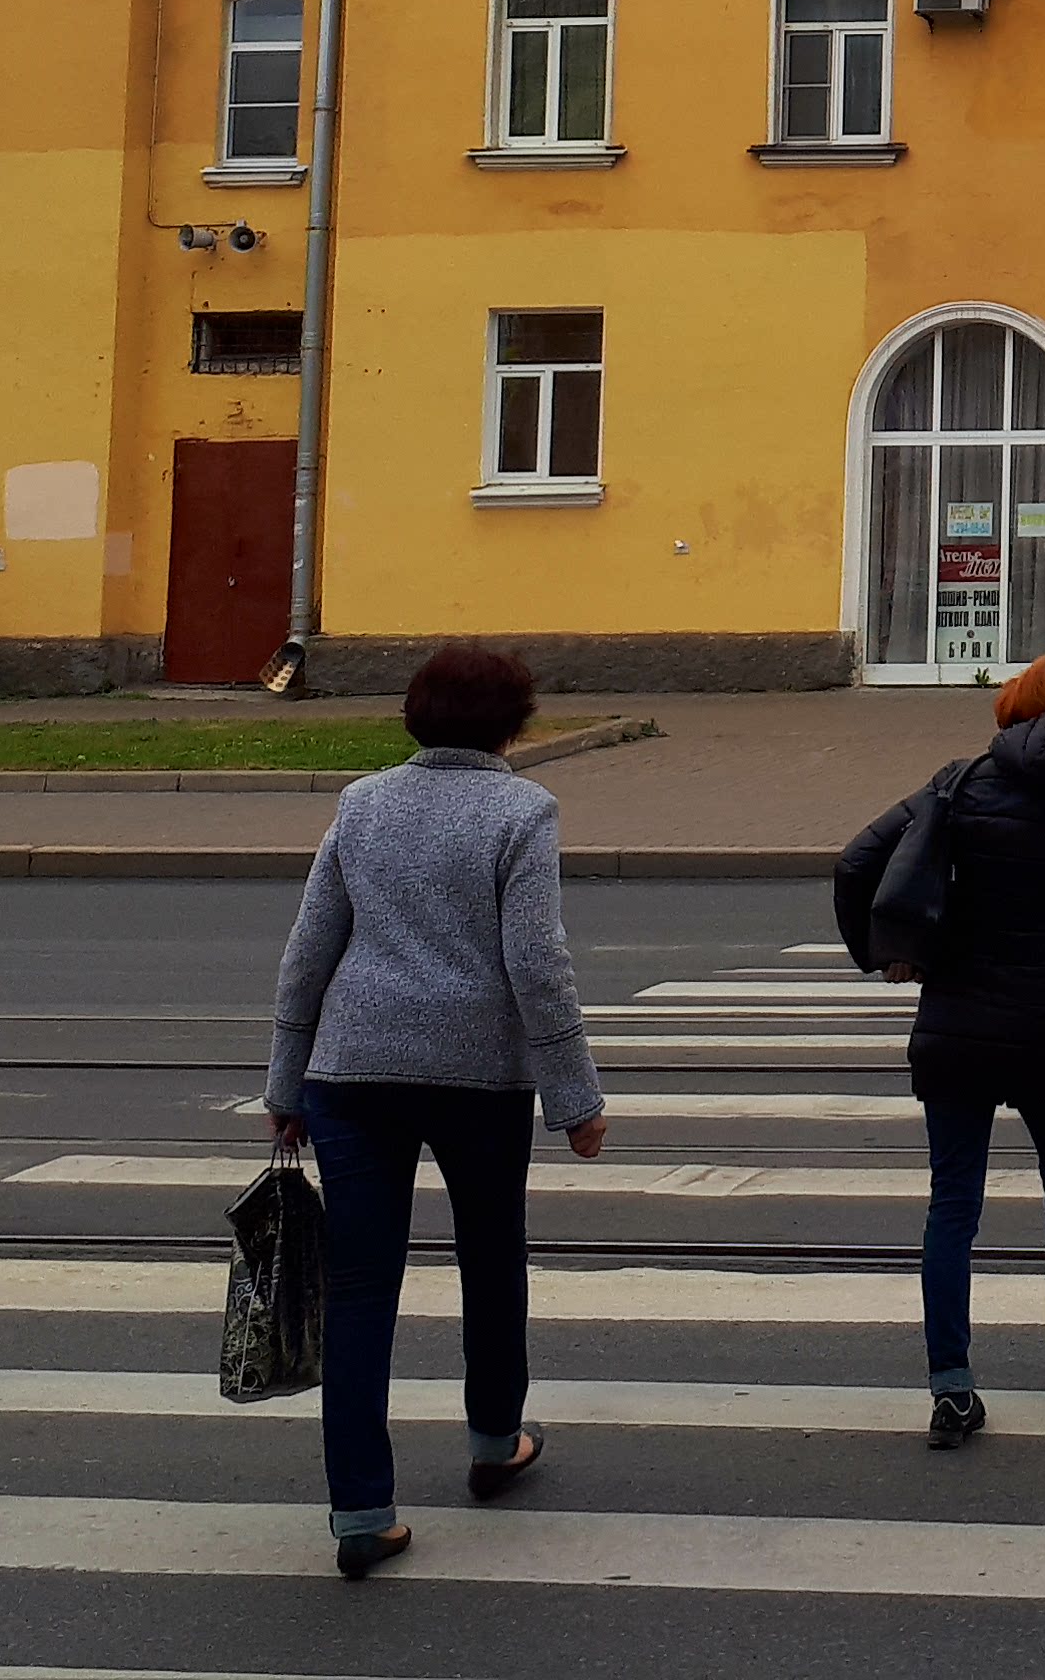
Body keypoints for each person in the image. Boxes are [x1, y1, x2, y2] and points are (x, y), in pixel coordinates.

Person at [267, 641, 607, 1579]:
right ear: (515, 723)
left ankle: (360, 1513)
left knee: (361, 1288)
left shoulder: (362, 801)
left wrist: (285, 1081)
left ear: (414, 715)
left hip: (352, 1072)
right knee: (492, 1260)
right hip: (478, 1081)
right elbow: (536, 964)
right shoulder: (522, 810)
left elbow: (310, 948)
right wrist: (574, 1096)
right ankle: (495, 1442)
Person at [835, 652, 1045, 1447]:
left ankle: (953, 1386)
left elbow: (858, 860)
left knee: (953, 1204)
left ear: (1014, 707)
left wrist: (890, 949)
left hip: (957, 1018)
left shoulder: (960, 783)